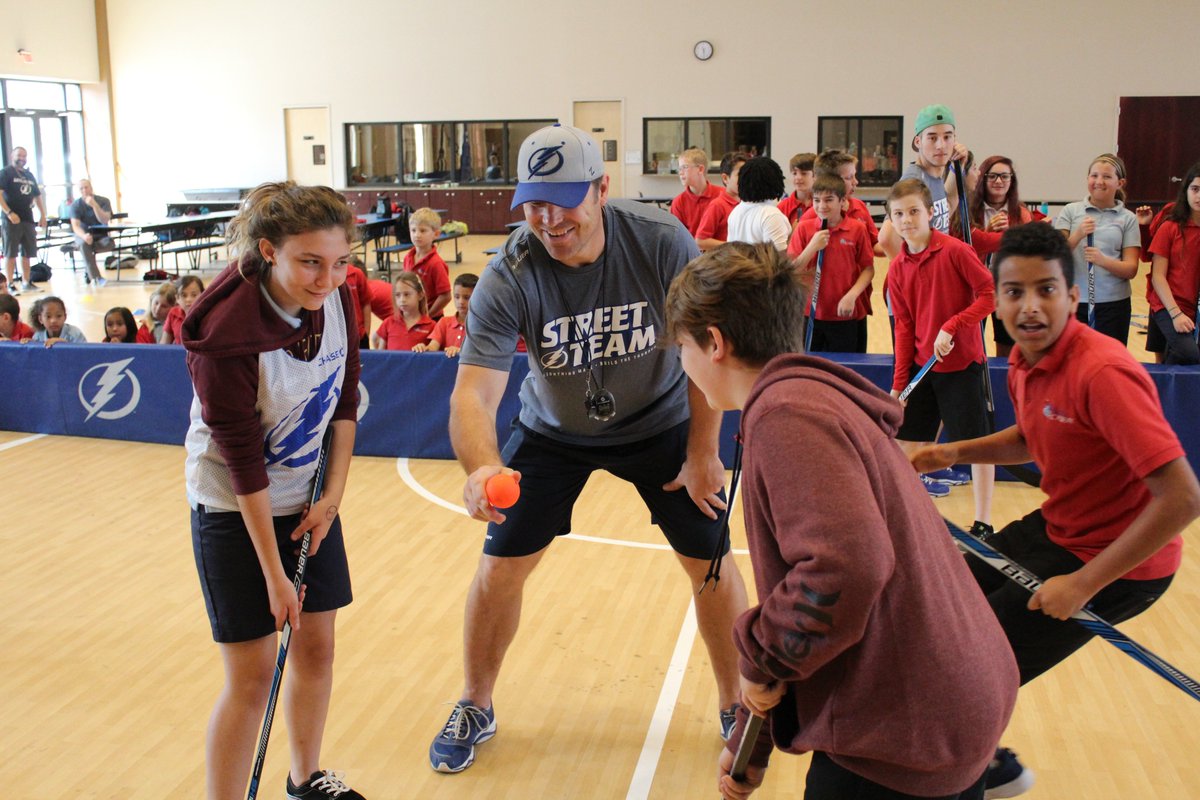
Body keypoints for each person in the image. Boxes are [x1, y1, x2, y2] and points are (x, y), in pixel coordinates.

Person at [429, 123, 749, 774]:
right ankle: (476, 702)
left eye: (565, 198)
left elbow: (703, 350)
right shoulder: (509, 273)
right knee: (499, 569)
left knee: (709, 559)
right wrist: (483, 465)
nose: (549, 218)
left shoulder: (661, 243)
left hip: (659, 419)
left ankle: (736, 704)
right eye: (535, 203)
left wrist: (701, 450)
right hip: (552, 431)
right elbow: (473, 394)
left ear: (602, 190)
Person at [662, 241, 1016, 800]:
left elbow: (844, 568)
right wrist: (754, 737)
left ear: (714, 343)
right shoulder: (812, 397)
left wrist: (758, 660)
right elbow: (827, 590)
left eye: (681, 347)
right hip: (943, 706)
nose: (679, 363)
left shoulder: (787, 417)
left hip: (908, 732)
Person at [910, 222, 1200, 799]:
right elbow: (1034, 435)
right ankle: (977, 755)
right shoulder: (1024, 358)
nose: (1030, 306)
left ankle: (984, 775)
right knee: (940, 604)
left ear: (1072, 296)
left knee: (973, 666)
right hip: (1059, 528)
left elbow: (1184, 497)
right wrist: (944, 452)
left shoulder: (1103, 372)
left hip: (1119, 564)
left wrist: (1083, 586)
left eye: (1046, 289)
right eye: (1014, 292)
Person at [181, 181, 366, 800]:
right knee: (253, 674)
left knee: (317, 645)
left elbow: (344, 396)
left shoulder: (339, 296)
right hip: (237, 509)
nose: (326, 279)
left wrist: (331, 499)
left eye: (338, 263)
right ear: (269, 250)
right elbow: (241, 462)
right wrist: (274, 573)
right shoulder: (227, 332)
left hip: (310, 498)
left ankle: (305, 778)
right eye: (309, 262)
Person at [887, 179, 996, 531]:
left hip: (962, 365)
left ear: (931, 212)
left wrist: (953, 325)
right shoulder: (896, 269)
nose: (907, 220)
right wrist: (898, 384)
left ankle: (983, 522)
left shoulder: (956, 251)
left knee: (976, 446)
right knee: (906, 447)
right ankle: (911, 520)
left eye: (914, 211)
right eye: (899, 214)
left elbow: (988, 295)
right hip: (923, 366)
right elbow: (903, 328)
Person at [1053, 154, 1140, 345]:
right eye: (1094, 175)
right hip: (1075, 301)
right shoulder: (1071, 211)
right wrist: (1078, 235)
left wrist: (1103, 261)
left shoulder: (1128, 219)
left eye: (1107, 177)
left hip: (1114, 304)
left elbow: (1131, 269)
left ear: (1120, 182)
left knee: (1109, 363)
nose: (1099, 181)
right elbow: (1056, 256)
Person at [787, 174, 874, 353]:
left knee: (844, 369)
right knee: (810, 369)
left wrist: (852, 296)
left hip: (844, 314)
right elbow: (792, 270)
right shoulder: (804, 228)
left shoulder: (857, 229)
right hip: (809, 314)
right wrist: (812, 247)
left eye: (829, 200)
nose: (822, 206)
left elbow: (868, 269)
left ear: (842, 201)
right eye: (817, 200)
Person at [879, 105, 970, 259]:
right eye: (932, 138)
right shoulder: (914, 181)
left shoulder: (934, 175)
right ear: (918, 141)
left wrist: (957, 169)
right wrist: (911, 273)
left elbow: (947, 207)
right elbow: (886, 238)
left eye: (947, 137)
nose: (940, 145)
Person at [966, 156, 1034, 358]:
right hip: (976, 289)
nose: (998, 181)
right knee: (972, 345)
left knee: (1007, 346)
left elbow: (1028, 254)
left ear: (1012, 181)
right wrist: (987, 233)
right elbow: (966, 251)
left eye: (1005, 176)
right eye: (993, 176)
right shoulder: (969, 211)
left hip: (1009, 288)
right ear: (982, 179)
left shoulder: (1020, 214)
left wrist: (1010, 232)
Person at [1147, 160, 1200, 365]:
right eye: (1195, 189)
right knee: (1190, 355)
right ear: (1185, 191)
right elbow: (1158, 277)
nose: (1199, 196)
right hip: (1169, 305)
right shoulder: (1170, 227)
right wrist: (1176, 314)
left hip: (1196, 308)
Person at [800, 149, 882, 253]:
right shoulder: (809, 218)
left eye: (854, 176)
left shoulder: (859, 206)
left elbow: (873, 245)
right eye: (849, 177)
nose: (855, 182)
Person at [0, 146, 49, 294]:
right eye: (19, 155)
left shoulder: (29, 175)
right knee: (11, 253)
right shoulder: (5, 173)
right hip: (11, 220)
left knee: (27, 253)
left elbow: (37, 196)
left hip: (27, 218)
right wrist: (9, 213)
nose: (22, 158)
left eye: (24, 155)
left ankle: (27, 282)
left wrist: (42, 214)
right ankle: (10, 284)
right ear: (12, 155)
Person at [726, 157, 790, 251]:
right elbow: (779, 259)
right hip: (761, 266)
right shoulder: (771, 214)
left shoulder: (735, 212)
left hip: (738, 265)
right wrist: (794, 233)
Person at [403, 208, 452, 318]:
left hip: (431, 318)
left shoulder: (436, 264)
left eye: (423, 230)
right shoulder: (408, 258)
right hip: (411, 315)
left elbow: (446, 296)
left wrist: (428, 316)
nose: (417, 235)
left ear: (436, 234)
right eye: (413, 230)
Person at [696, 152, 748, 251]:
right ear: (725, 178)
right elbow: (700, 241)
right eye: (740, 175)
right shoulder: (717, 205)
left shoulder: (747, 203)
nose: (745, 179)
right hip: (724, 262)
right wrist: (733, 246)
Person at [371, 271, 435, 351]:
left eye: (407, 294)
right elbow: (381, 356)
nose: (402, 300)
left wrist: (425, 348)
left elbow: (435, 356)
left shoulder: (432, 326)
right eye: (398, 295)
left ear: (420, 295)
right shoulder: (388, 323)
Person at [68, 178, 114, 286]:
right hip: (83, 235)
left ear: (91, 188)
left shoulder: (104, 201)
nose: (84, 190)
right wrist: (84, 236)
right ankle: (96, 278)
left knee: (109, 244)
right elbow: (76, 226)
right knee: (84, 244)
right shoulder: (76, 205)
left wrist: (95, 206)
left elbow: (104, 220)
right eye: (81, 189)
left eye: (86, 187)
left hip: (101, 236)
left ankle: (77, 248)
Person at [670, 147, 723, 236]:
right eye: (679, 168)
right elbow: (677, 237)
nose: (680, 172)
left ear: (700, 169)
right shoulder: (678, 202)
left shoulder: (722, 195)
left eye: (685, 167)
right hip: (691, 249)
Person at [428, 272, 476, 356]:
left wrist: (461, 352)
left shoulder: (482, 326)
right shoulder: (443, 322)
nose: (460, 302)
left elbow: (481, 354)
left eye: (466, 298)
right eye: (457, 297)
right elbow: (432, 347)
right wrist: (422, 348)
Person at [162, 275, 205, 345]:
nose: (188, 299)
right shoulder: (173, 313)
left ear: (203, 295)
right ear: (177, 298)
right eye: (183, 295)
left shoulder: (208, 314)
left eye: (194, 295)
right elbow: (164, 344)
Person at [776, 152, 816, 226]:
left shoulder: (822, 205)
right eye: (794, 173)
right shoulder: (783, 207)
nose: (798, 177)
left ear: (815, 176)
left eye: (804, 173)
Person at [343, 253, 371, 350]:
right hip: (336, 337)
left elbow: (366, 303)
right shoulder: (326, 276)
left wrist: (366, 332)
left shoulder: (356, 274)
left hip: (359, 335)